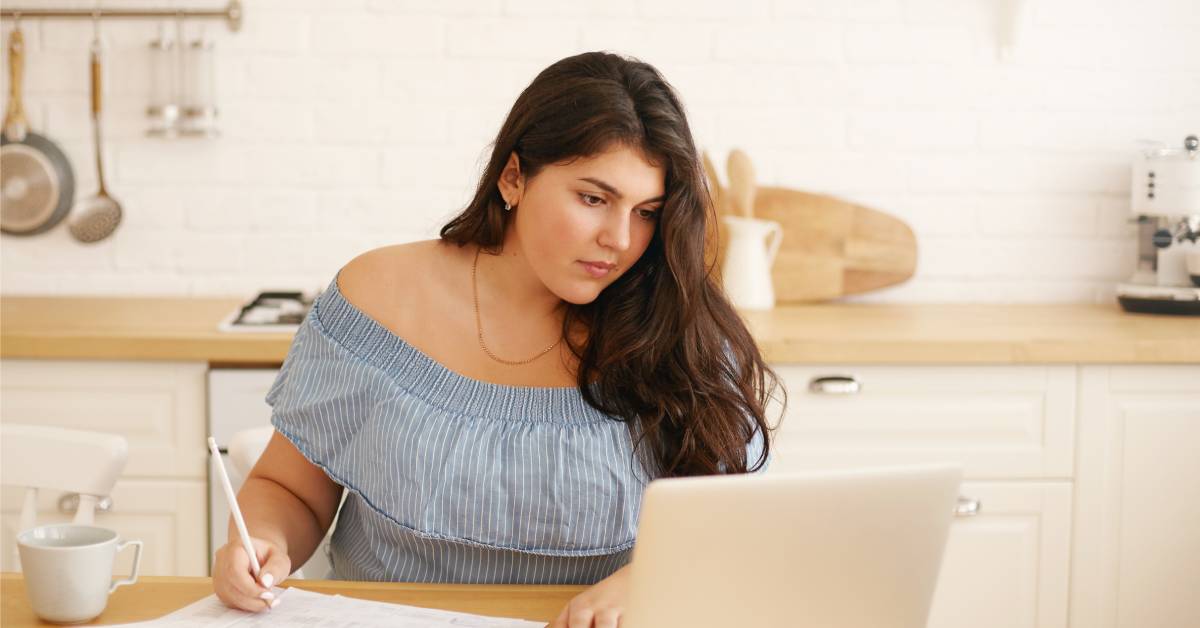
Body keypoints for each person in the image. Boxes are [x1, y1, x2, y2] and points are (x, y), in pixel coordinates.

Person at [213, 50, 783, 628]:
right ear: (514, 176)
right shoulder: (377, 296)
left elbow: (735, 524)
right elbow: (291, 489)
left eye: (646, 212)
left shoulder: (681, 328)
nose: (620, 239)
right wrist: (260, 540)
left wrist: (648, 580)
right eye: (593, 198)